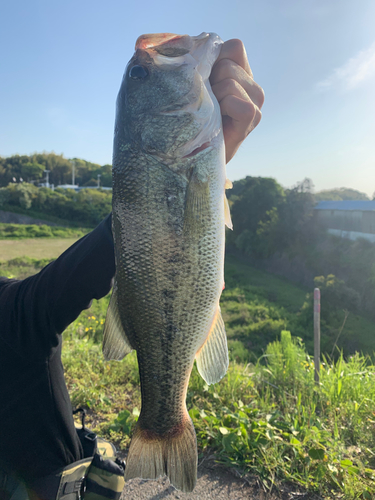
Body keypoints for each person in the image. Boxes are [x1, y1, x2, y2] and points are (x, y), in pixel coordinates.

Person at [0, 39, 264, 499]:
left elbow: (54, 292)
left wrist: (203, 166)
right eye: (140, 76)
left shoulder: (12, 315)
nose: (144, 65)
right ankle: (164, 425)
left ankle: (163, 421)